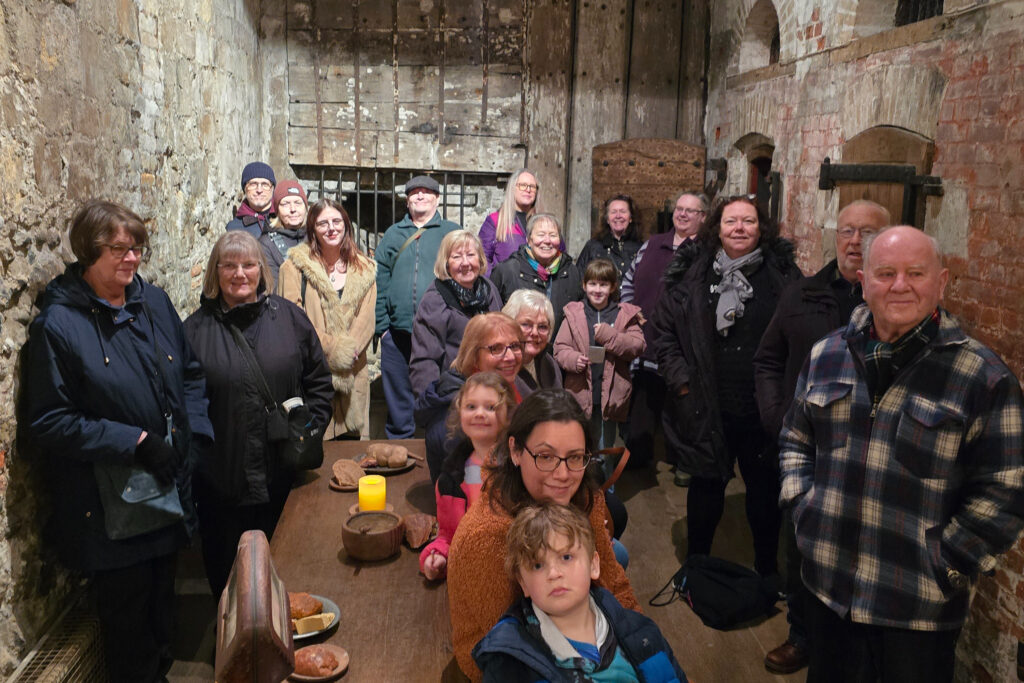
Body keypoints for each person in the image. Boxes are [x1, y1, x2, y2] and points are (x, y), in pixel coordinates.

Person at [780, 226, 1024, 683]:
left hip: (916, 608)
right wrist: (803, 507)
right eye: (886, 272)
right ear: (863, 281)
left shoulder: (981, 376)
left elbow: (1006, 488)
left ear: (942, 282)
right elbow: (796, 439)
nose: (899, 285)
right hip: (827, 590)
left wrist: (947, 561)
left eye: (915, 273)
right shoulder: (827, 354)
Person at [20, 200, 215, 682]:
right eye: (118, 250)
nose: (131, 260)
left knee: (161, 614)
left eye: (137, 250)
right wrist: (136, 440)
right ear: (88, 251)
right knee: (129, 630)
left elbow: (189, 374)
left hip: (167, 487)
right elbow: (48, 420)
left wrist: (196, 434)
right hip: (112, 508)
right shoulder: (60, 327)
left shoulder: (153, 303)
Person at [752, 199, 890, 675]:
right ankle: (802, 634)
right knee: (802, 547)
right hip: (809, 450)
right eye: (847, 231)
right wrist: (778, 417)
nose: (855, 242)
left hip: (874, 455)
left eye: (867, 233)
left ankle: (858, 642)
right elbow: (768, 359)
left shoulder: (894, 301)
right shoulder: (803, 294)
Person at [653, 195, 801, 580]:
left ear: (761, 227)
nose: (739, 228)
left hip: (761, 407)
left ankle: (767, 571)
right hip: (706, 404)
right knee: (705, 491)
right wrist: (682, 384)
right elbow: (664, 331)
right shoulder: (692, 274)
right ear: (716, 227)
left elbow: (798, 335)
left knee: (765, 494)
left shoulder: (782, 275)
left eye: (748, 221)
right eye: (731, 221)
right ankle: (696, 568)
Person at [448, 389, 639, 681]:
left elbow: (614, 585)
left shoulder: (582, 498)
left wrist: (645, 647)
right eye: (546, 456)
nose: (563, 474)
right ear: (515, 451)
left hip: (585, 633)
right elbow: (500, 651)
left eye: (574, 457)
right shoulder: (487, 538)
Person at [185, 231, 333, 597]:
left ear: (261, 270)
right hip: (222, 485)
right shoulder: (193, 331)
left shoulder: (290, 320)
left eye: (249, 264)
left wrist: (309, 433)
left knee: (286, 576)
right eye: (229, 265)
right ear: (215, 273)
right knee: (230, 584)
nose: (240, 274)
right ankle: (233, 650)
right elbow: (182, 402)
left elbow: (318, 381)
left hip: (283, 478)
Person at [473, 504, 689, 682]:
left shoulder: (641, 630)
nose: (554, 573)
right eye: (537, 565)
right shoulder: (509, 663)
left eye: (566, 557)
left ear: (594, 565)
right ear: (523, 584)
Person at [620, 191, 708, 480]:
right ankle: (638, 452)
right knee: (643, 395)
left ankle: (682, 459)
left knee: (681, 399)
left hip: (682, 341)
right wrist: (631, 312)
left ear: (703, 217)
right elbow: (629, 279)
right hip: (645, 332)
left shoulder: (706, 252)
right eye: (679, 209)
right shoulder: (653, 244)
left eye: (690, 211)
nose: (682, 214)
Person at [278, 199, 377, 439]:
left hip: (353, 375)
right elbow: (293, 320)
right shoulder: (293, 269)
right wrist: (334, 350)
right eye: (323, 223)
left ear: (346, 225)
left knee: (353, 454)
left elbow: (367, 318)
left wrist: (349, 351)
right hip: (312, 374)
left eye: (336, 221)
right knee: (313, 451)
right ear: (312, 229)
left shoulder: (365, 269)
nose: (331, 228)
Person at [375, 175, 461, 439]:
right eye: (414, 193)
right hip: (398, 334)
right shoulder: (393, 234)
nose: (420, 196)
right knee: (399, 400)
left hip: (439, 333)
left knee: (440, 393)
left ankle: (439, 447)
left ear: (437, 199)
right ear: (407, 200)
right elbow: (380, 279)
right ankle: (400, 450)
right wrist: (382, 328)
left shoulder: (451, 232)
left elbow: (463, 276)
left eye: (426, 192)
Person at [420, 372, 517, 581]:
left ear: (508, 415)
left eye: (491, 407)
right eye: (471, 406)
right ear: (460, 411)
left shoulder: (519, 469)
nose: (479, 414)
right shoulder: (451, 479)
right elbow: (448, 535)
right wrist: (437, 556)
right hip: (470, 575)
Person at [415, 312, 529, 481]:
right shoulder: (459, 411)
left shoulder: (506, 385)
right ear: (474, 356)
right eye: (496, 349)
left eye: (514, 346)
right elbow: (472, 482)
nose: (510, 357)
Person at [554, 259, 645, 452]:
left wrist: (608, 335)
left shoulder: (624, 315)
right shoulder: (574, 313)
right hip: (580, 394)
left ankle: (605, 483)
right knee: (578, 448)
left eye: (603, 284)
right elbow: (560, 348)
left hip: (610, 397)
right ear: (584, 285)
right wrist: (573, 360)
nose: (597, 290)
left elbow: (637, 345)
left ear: (612, 287)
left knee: (605, 452)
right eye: (593, 284)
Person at [409, 230, 502, 399]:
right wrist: (433, 403)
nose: (465, 263)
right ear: (446, 264)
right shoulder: (436, 299)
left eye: (471, 255)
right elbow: (425, 360)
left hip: (491, 387)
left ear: (480, 259)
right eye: (457, 257)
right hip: (454, 394)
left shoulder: (489, 290)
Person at [490, 213, 582, 331]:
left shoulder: (570, 271)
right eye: (541, 235)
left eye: (553, 235)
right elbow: (493, 317)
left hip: (558, 348)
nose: (547, 241)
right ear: (529, 240)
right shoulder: (507, 270)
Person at [479, 168, 540, 270]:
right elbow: (482, 259)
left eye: (532, 186)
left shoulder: (543, 224)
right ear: (512, 188)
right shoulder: (495, 221)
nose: (528, 190)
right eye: (523, 185)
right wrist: (496, 283)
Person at [502, 289, 561, 393]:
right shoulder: (501, 366)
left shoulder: (550, 364)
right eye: (526, 324)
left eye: (542, 327)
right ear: (509, 324)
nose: (534, 333)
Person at [575, 194, 643, 279]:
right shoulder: (593, 246)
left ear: (630, 218)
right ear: (607, 219)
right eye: (613, 212)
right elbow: (578, 280)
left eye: (623, 211)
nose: (618, 216)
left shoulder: (641, 248)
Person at [259, 179, 308, 283]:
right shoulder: (266, 244)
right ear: (277, 211)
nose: (293, 209)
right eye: (285, 204)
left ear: (305, 207)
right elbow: (273, 287)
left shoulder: (315, 237)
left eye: (298, 203)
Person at [226, 161, 276, 238]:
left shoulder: (286, 220)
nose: (259, 190)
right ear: (245, 189)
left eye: (265, 184)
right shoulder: (234, 229)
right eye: (253, 184)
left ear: (272, 188)